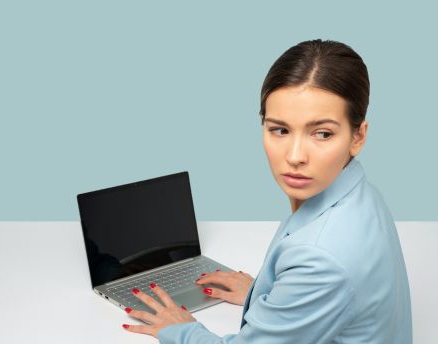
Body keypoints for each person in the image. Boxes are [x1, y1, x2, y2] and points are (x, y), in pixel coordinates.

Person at [121, 39, 413, 343]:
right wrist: (267, 293)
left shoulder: (319, 260)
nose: (295, 155)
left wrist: (180, 329)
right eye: (280, 130)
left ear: (358, 136)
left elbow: (327, 268)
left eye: (322, 133)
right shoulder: (361, 192)